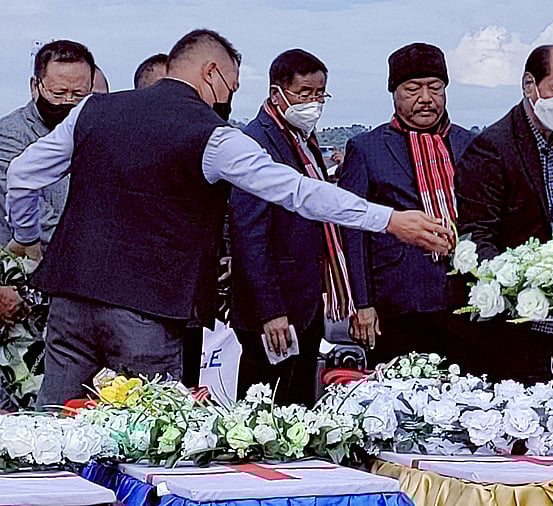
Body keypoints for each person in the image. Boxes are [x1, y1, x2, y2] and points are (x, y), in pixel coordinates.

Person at [4, 29, 452, 406]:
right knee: (146, 445)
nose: (230, 98)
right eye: (232, 87)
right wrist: (389, 220)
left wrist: (28, 235)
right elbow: (296, 191)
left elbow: (23, 174)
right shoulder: (214, 136)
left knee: (53, 435)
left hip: (70, 302)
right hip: (150, 313)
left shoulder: (92, 110)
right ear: (211, 73)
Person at [455, 44, 553, 383]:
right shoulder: (492, 147)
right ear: (530, 85)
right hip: (515, 324)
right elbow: (477, 235)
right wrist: (523, 285)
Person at [339, 43, 476, 367]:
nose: (425, 98)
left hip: (465, 300)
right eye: (413, 89)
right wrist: (362, 303)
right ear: (394, 94)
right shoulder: (366, 148)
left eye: (435, 88)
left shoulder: (469, 144)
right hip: (398, 303)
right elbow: (352, 232)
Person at [229, 49, 353, 406]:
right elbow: (249, 235)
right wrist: (270, 311)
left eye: (320, 94)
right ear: (276, 94)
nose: (313, 102)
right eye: (304, 94)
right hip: (273, 307)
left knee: (298, 404)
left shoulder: (303, 140)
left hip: (308, 301)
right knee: (262, 408)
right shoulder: (256, 143)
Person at [0, 40, 96, 247]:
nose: (67, 101)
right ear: (36, 86)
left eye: (78, 95)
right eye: (59, 93)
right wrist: (84, 246)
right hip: (26, 260)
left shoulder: (96, 130)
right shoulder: (8, 135)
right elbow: (25, 200)